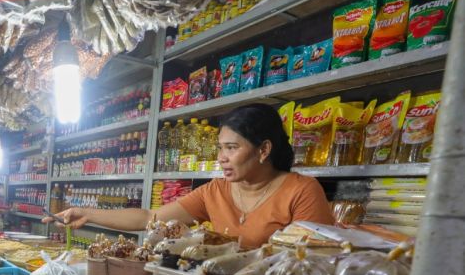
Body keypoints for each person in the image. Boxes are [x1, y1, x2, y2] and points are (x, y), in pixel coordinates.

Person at [45, 104, 334, 248]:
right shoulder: (215, 192)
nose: (221, 158)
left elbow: (313, 263)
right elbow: (149, 218)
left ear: (264, 149)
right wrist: (86, 213)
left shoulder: (302, 191)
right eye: (220, 148)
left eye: (231, 148)